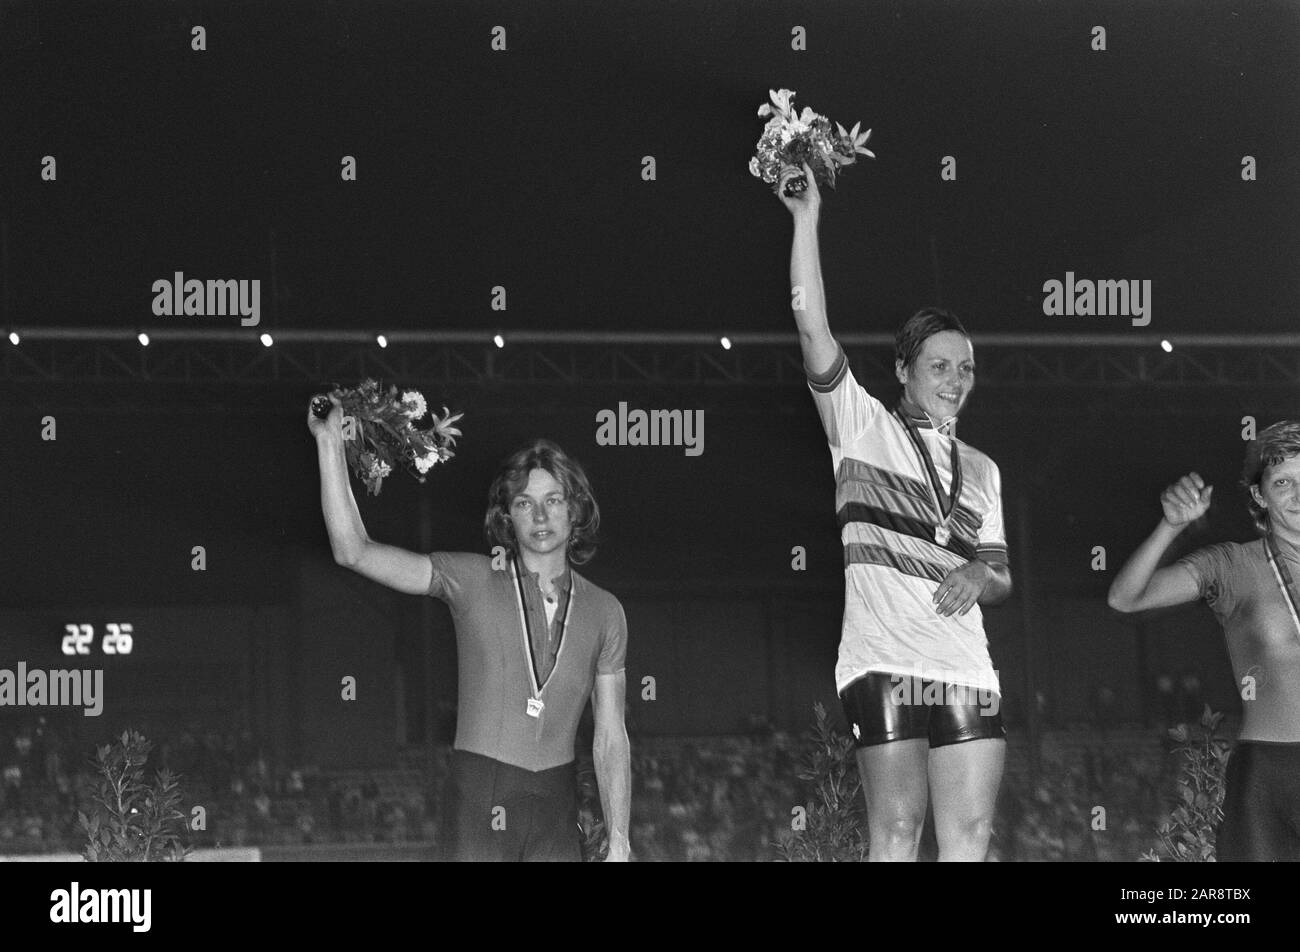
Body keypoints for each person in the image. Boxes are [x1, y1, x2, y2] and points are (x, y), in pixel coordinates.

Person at [777, 162, 1014, 861]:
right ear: (905, 369)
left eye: (966, 368)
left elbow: (1000, 578)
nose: (955, 381)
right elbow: (811, 325)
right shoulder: (860, 426)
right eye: (940, 366)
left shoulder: (983, 470)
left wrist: (978, 575)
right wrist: (805, 219)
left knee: (969, 837)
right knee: (898, 834)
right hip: (880, 660)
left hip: (966, 666)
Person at [309, 401, 631, 862]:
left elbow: (611, 735)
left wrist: (619, 840)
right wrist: (328, 445)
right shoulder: (472, 578)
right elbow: (353, 551)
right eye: (524, 503)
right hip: (481, 797)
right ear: (508, 516)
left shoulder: (606, 611)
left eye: (553, 500)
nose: (539, 516)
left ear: (575, 510)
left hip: (556, 810)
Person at [1108, 420, 1300, 861]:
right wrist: (1170, 528)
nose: (1297, 495)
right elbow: (1125, 598)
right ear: (1259, 495)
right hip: (1269, 776)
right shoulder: (1233, 565)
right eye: (1283, 482)